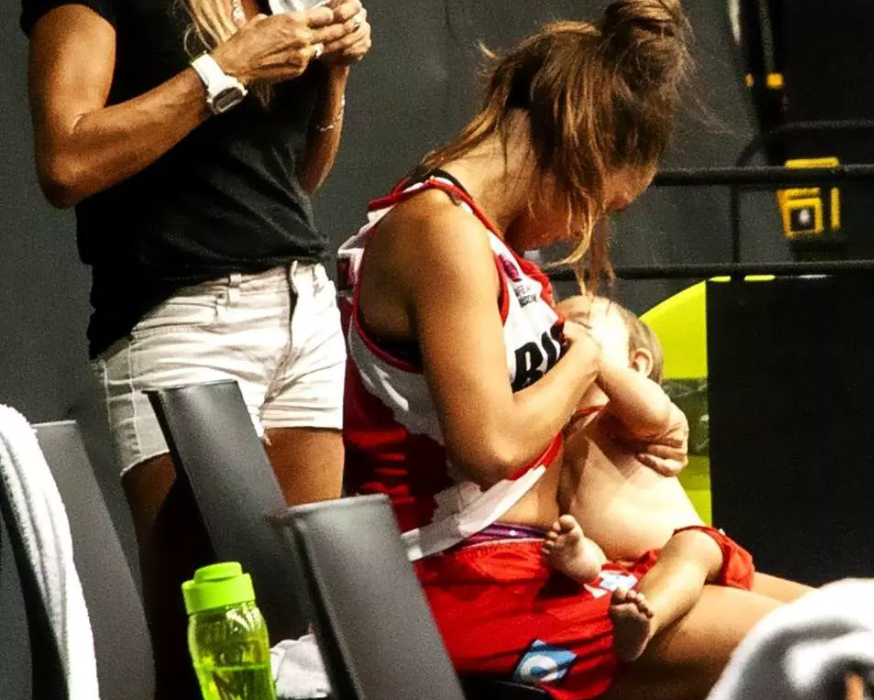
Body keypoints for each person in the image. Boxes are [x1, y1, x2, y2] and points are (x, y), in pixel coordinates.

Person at [342, 2, 830, 698]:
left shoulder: (492, 244)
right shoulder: (438, 232)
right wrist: (587, 358)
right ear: (581, 148)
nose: (586, 225)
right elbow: (488, 448)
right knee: (820, 663)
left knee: (849, 626)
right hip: (464, 580)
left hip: (543, 566)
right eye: (602, 205)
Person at [21, 0, 370, 696]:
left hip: (300, 308)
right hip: (184, 317)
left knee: (299, 644)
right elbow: (64, 160)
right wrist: (226, 68)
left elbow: (289, 181)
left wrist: (333, 77)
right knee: (208, 645)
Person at [544, 296, 811, 663]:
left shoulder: (615, 417)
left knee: (693, 550)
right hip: (616, 570)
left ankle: (647, 621)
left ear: (636, 364)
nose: (562, 330)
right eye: (554, 324)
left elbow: (652, 411)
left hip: (690, 550)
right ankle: (631, 610)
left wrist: (593, 359)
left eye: (582, 325)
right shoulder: (550, 433)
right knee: (580, 553)